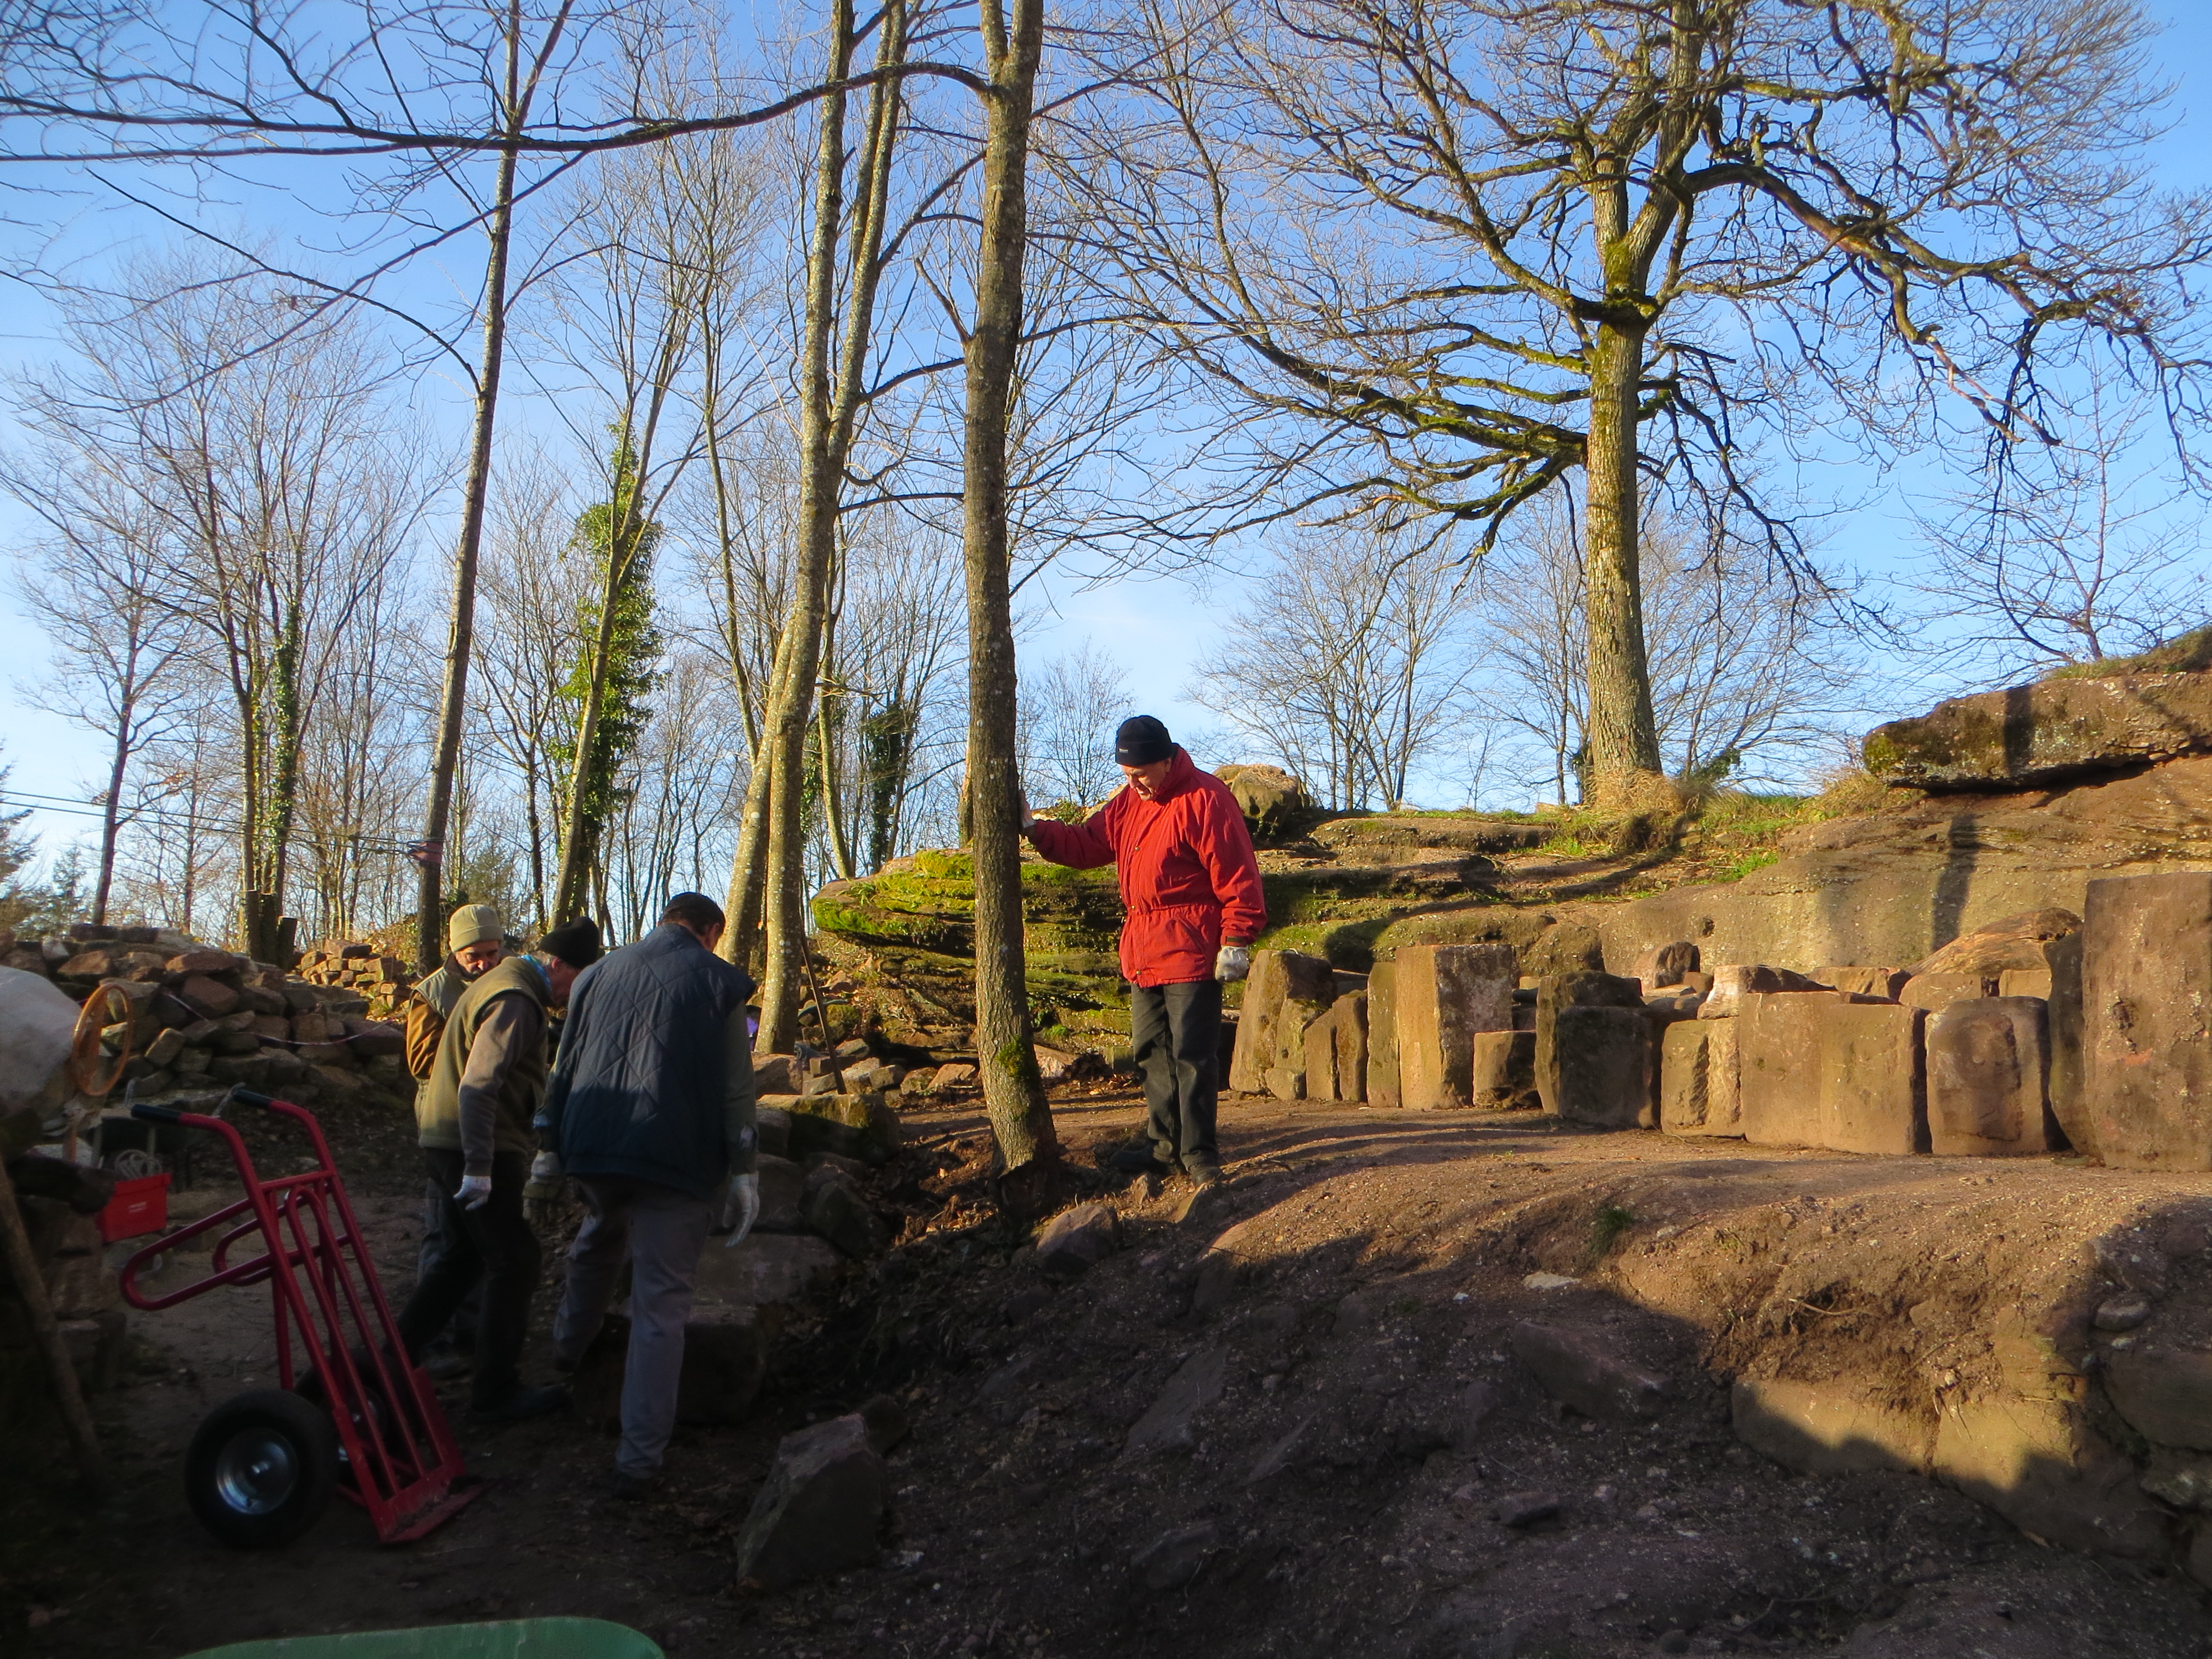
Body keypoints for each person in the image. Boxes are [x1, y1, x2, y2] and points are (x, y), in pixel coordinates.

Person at [542, 891, 760, 1500]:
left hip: (595, 1142)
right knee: (660, 1305)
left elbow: (564, 1064)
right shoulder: (721, 982)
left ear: (665, 920)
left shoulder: (597, 974)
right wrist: (744, 1169)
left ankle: (566, 1352)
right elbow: (735, 1087)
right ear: (710, 931)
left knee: (599, 1235)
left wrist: (548, 1143)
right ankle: (638, 1462)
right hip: (675, 1156)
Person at [1022, 715, 1266, 1188]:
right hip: (1143, 949)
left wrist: (1236, 940)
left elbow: (1237, 874)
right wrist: (1034, 829)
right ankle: (1163, 1147)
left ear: (1166, 761)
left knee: (1192, 1054)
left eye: (1139, 774)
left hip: (1192, 947)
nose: (1133, 784)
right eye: (1126, 775)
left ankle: (1199, 1154)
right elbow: (1087, 844)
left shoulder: (1207, 798)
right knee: (1152, 1051)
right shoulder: (1129, 803)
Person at [397, 915, 603, 1422]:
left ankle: (389, 1362)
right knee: (516, 1259)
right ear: (558, 965)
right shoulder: (516, 1000)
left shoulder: (506, 983)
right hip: (475, 1143)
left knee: (462, 1258)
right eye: (578, 981)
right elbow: (478, 1084)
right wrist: (479, 1167)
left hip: (448, 1139)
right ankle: (495, 1393)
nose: (574, 996)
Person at [405, 904, 505, 1374]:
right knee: (444, 1231)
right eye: (474, 956)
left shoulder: (508, 984)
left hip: (491, 1126)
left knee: (481, 1233)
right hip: (446, 1125)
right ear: (455, 953)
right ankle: (433, 1338)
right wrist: (477, 1045)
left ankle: (473, 1327)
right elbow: (422, 1062)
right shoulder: (432, 993)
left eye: (492, 953)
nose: (484, 963)